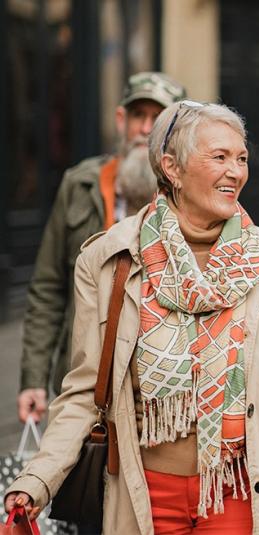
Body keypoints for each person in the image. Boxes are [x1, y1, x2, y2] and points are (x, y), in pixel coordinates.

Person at [4, 100, 259, 534]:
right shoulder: (111, 258)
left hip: (236, 493)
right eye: (219, 157)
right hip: (144, 495)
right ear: (172, 168)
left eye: (241, 158)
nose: (236, 171)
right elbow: (83, 391)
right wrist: (36, 481)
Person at [18, 72, 186, 425]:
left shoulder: (189, 197)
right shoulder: (79, 184)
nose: (145, 129)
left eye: (158, 119)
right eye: (138, 116)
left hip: (155, 390)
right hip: (80, 379)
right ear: (121, 120)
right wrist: (33, 380)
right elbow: (48, 288)